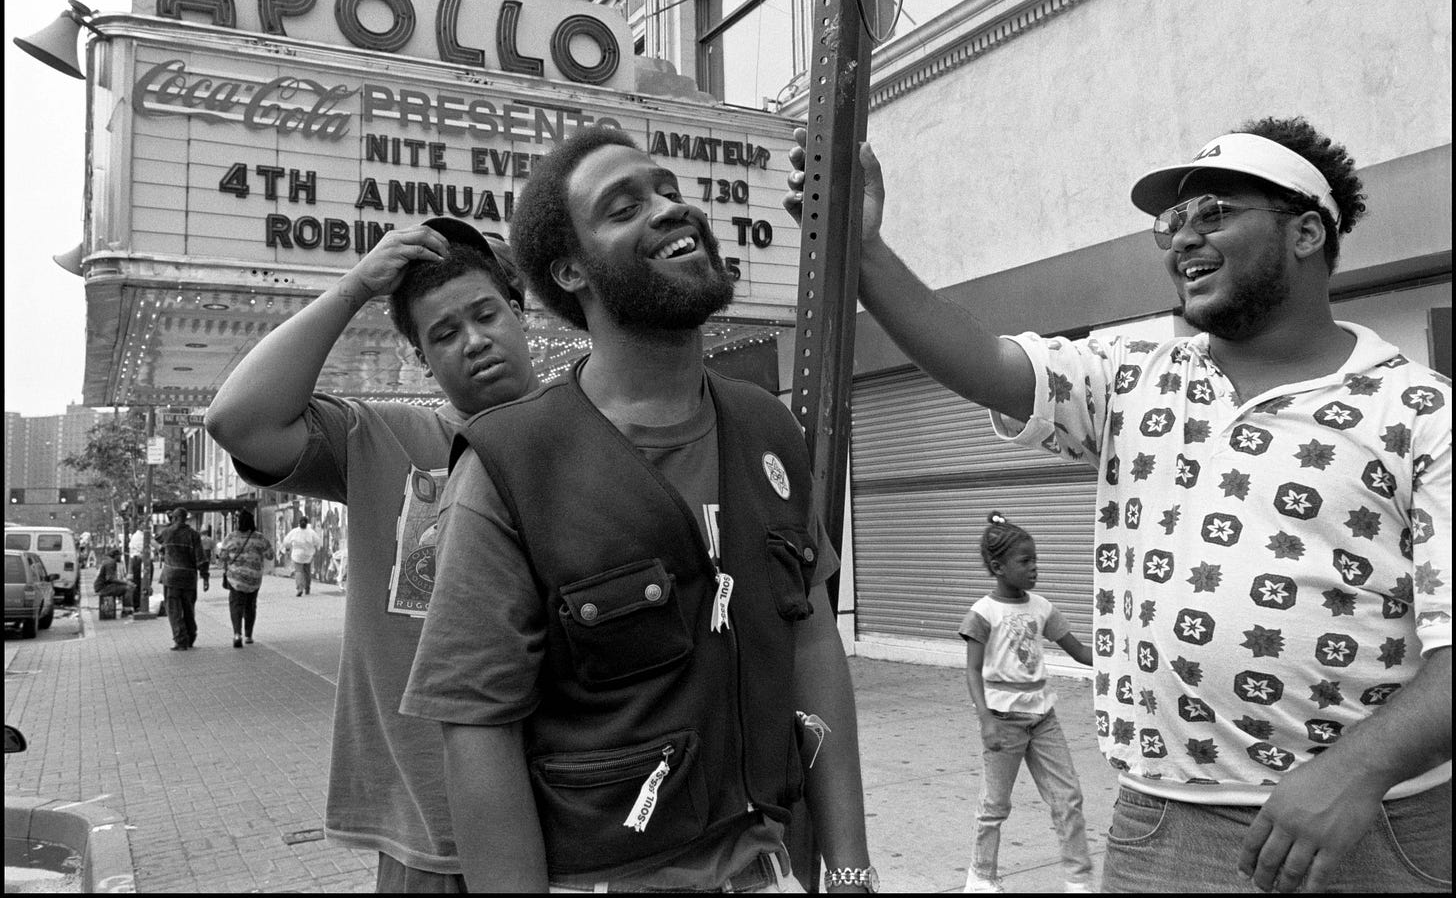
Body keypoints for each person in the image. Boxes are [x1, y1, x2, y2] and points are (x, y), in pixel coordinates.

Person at [784, 117, 1451, 893]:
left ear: (1306, 232)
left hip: (1371, 827)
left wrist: (1357, 774)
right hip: (1162, 826)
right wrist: (865, 254)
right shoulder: (1135, 377)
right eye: (1173, 222)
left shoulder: (1419, 412)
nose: (1182, 239)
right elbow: (987, 364)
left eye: (1215, 213)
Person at [400, 126, 874, 894]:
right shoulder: (508, 468)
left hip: (776, 868)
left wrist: (850, 869)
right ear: (569, 270)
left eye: (669, 191)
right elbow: (478, 732)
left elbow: (814, 645)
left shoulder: (769, 428)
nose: (669, 210)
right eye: (625, 207)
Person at [207, 216, 538, 892]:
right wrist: (353, 288)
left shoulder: (589, 438)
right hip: (425, 835)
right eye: (443, 334)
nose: (474, 342)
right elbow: (238, 420)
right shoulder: (381, 439)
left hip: (575, 822)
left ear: (519, 312)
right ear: (419, 357)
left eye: (486, 314)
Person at [958, 513, 1094, 894]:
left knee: (1068, 798)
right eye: (1025, 561)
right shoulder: (983, 613)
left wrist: (1118, 654)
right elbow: (972, 671)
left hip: (1043, 719)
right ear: (998, 567)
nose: (1034, 568)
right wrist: (985, 718)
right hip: (1003, 720)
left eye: (1036, 559)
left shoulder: (1041, 607)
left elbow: (1079, 651)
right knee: (995, 806)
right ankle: (980, 877)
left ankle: (1079, 880)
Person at [154, 506, 209, 650]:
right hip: (189, 578)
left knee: (173, 610)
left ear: (175, 518)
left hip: (171, 577)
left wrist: (170, 524)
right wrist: (205, 576)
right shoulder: (193, 535)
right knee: (189, 608)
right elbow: (200, 558)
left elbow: (156, 541)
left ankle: (180, 639)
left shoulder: (167, 532)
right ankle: (191, 636)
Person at [216, 511, 272, 648]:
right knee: (250, 606)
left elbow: (222, 557)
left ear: (238, 522)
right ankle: (248, 635)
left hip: (236, 579)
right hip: (254, 579)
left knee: (236, 605)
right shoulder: (260, 538)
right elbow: (270, 555)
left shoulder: (231, 537)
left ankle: (237, 635)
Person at [283, 516, 323, 596]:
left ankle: (299, 588)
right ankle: (307, 588)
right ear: (307, 523)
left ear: (299, 522)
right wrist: (317, 548)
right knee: (307, 572)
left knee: (298, 571)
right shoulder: (311, 532)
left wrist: (287, 548)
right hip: (308, 555)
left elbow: (286, 541)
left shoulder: (294, 531)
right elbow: (318, 542)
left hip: (297, 555)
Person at [93, 548, 134, 616]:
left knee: (125, 587)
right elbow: (110, 578)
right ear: (116, 556)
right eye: (119, 555)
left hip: (102, 586)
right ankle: (127, 611)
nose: (120, 557)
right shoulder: (111, 562)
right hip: (103, 588)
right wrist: (126, 582)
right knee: (128, 588)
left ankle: (127, 609)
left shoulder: (108, 561)